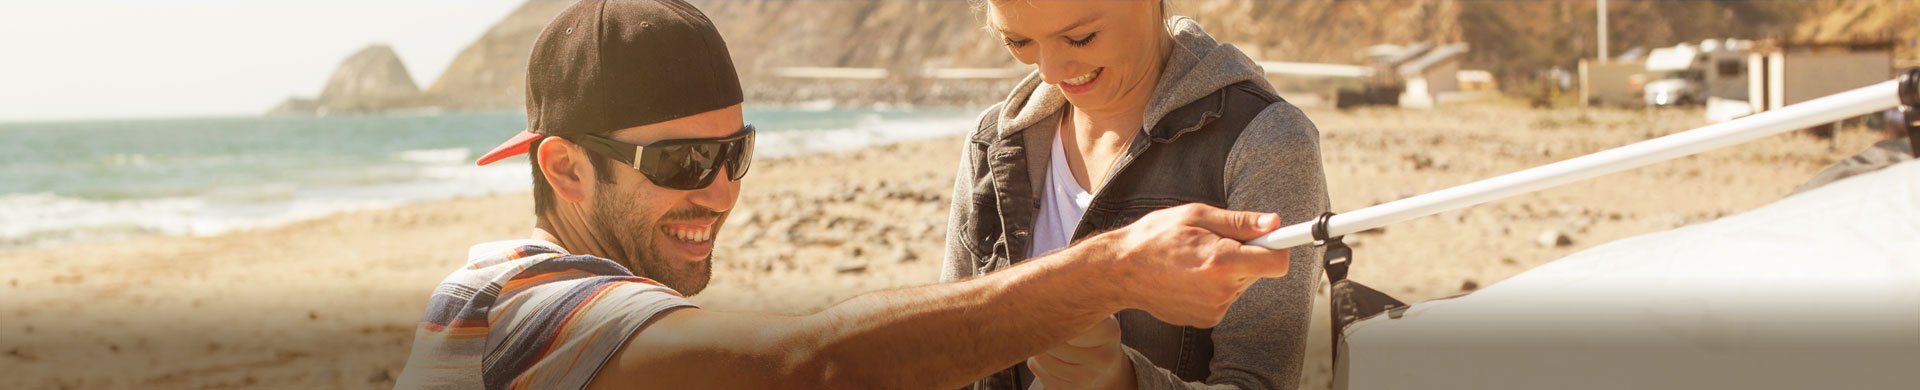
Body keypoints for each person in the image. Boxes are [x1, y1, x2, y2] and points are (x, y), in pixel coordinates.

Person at [393, 1, 1297, 388]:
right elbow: (810, 366)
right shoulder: (513, 306)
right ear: (563, 170)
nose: (717, 195)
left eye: (734, 153)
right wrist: (1104, 274)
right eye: (678, 164)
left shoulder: (1262, 136)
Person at [942, 1, 1330, 389]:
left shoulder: (1266, 142)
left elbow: (1259, 380)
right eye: (1019, 41)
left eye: (1081, 38)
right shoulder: (992, 140)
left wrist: (1122, 381)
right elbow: (946, 354)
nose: (1050, 71)